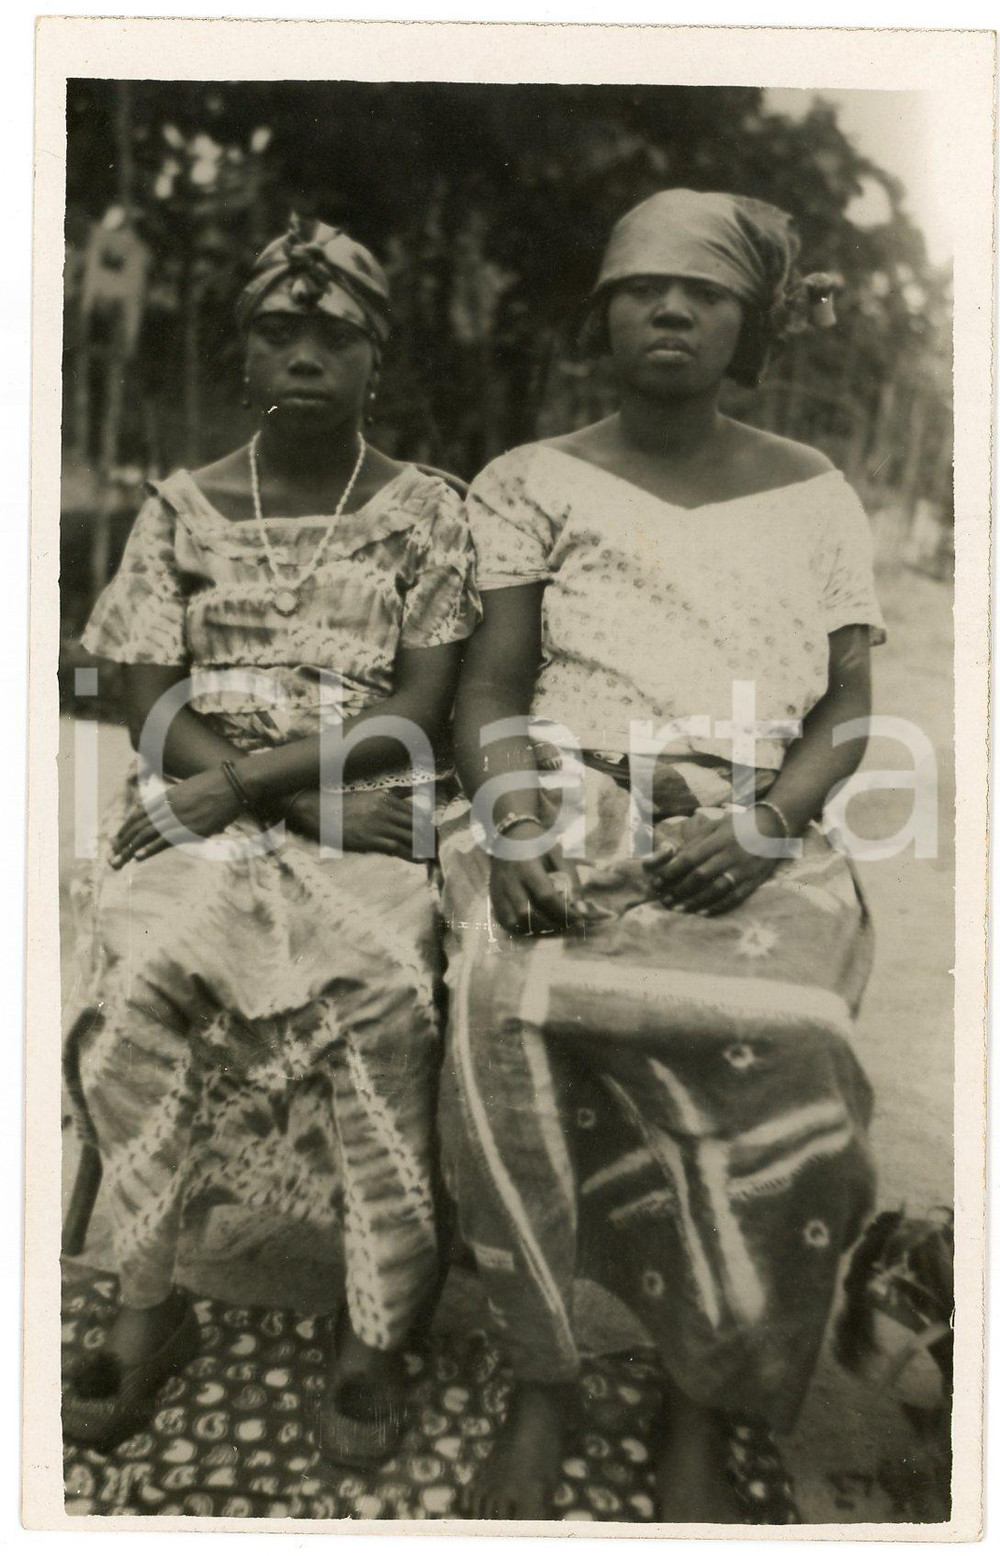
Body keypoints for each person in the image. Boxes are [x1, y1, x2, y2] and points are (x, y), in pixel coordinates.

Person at [437, 188, 884, 1522]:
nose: (671, 309)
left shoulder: (816, 493)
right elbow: (491, 688)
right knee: (504, 995)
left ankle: (700, 1396)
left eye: (704, 292)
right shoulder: (529, 479)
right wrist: (513, 826)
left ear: (750, 323)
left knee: (799, 1045)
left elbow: (847, 711)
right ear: (604, 314)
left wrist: (763, 824)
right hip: (561, 796)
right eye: (642, 288)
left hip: (754, 821)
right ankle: (544, 1379)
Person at [62, 216, 480, 1465]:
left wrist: (264, 787)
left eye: (335, 336)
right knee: (138, 974)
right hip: (205, 799)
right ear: (241, 354)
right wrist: (273, 801)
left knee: (386, 985)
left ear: (375, 361)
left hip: (366, 798)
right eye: (278, 332)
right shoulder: (178, 510)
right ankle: (148, 1302)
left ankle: (373, 1319)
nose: (305, 354)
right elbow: (145, 695)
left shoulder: (427, 513)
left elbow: (420, 703)